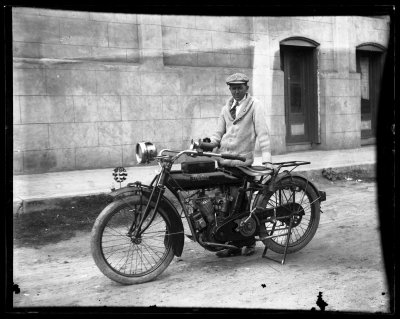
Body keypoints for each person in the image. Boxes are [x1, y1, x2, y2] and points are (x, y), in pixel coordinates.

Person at [205, 72, 274, 258]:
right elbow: (217, 135)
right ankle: (229, 243)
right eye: (233, 88)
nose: (236, 91)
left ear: (246, 88)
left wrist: (267, 160)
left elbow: (263, 134)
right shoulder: (226, 108)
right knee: (223, 205)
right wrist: (207, 145)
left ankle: (248, 242)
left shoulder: (255, 106)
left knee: (240, 204)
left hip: (242, 164)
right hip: (224, 162)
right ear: (229, 89)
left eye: (240, 88)